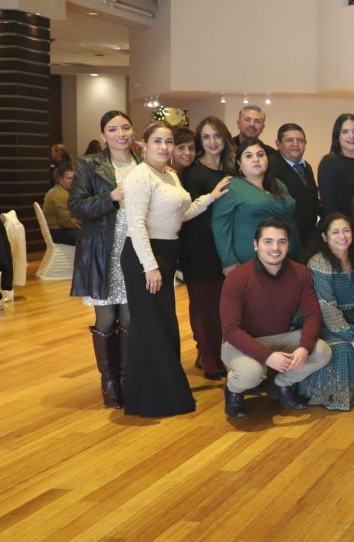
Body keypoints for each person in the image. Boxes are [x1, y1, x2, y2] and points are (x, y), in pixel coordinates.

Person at [121, 122, 230, 417]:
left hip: (166, 253)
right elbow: (136, 225)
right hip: (146, 256)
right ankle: (159, 399)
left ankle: (147, 396)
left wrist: (210, 197)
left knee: (162, 324)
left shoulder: (169, 174)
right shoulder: (140, 176)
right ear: (144, 145)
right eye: (157, 141)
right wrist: (150, 266)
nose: (164, 147)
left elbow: (179, 216)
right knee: (152, 327)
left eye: (168, 141)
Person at [218, 217, 333, 418]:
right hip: (241, 342)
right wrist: (268, 357)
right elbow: (231, 330)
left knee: (322, 352)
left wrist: (304, 348)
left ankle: (280, 385)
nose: (275, 248)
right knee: (250, 374)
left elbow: (313, 315)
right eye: (268, 241)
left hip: (281, 337)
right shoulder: (237, 278)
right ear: (256, 245)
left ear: (289, 245)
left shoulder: (301, 273)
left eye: (282, 241)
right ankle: (233, 391)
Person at [70, 110, 141, 408]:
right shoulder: (89, 163)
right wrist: (111, 197)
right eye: (113, 129)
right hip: (102, 250)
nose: (120, 134)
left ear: (133, 131)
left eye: (125, 127)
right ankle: (109, 381)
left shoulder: (142, 163)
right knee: (107, 317)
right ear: (103, 135)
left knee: (130, 317)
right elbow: (76, 206)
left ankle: (127, 379)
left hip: (134, 249)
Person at [296, 215, 354, 411]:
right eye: (335, 232)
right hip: (319, 320)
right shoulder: (319, 262)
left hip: (347, 316)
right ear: (325, 237)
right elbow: (326, 307)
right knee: (343, 349)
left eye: (346, 230)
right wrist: (352, 337)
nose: (342, 236)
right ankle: (329, 395)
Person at [179, 116, 235, 380]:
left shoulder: (233, 169)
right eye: (206, 137)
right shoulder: (192, 171)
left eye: (217, 135)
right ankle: (209, 357)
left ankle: (224, 354)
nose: (213, 141)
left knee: (226, 306)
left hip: (227, 246)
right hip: (198, 246)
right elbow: (187, 212)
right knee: (203, 306)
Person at [211, 137, 298, 272]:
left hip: (287, 256)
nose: (256, 159)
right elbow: (220, 226)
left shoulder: (278, 184)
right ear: (239, 163)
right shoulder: (232, 186)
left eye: (260, 155)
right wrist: (228, 261)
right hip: (251, 262)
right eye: (248, 156)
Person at [272, 123, 322, 249]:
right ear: (278, 144)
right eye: (289, 140)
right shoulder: (270, 166)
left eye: (300, 140)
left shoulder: (306, 166)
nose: (295, 144)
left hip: (308, 237)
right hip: (283, 239)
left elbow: (310, 199)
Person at [318, 114, 354, 222]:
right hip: (345, 227)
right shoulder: (329, 162)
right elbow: (329, 207)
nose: (351, 136)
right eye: (345, 132)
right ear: (337, 136)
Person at [44, 165, 81, 245]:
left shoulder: (64, 191)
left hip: (63, 229)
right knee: (91, 236)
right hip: (57, 232)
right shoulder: (59, 194)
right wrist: (82, 228)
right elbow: (66, 221)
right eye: (69, 178)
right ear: (60, 180)